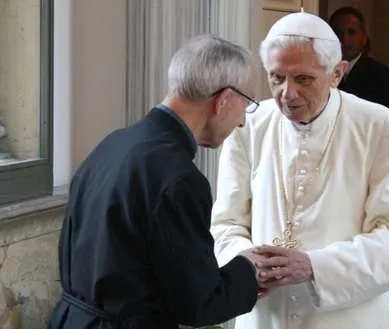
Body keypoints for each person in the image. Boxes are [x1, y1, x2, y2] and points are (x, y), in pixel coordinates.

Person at [48, 34, 284, 329]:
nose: (242, 122)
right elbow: (199, 305)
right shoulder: (179, 178)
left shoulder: (113, 144)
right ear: (224, 100)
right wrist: (250, 268)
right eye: (246, 104)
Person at [211, 12, 389, 329]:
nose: (287, 93)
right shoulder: (248, 126)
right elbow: (226, 222)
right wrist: (248, 264)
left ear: (337, 73)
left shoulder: (381, 127)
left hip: (353, 316)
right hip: (269, 312)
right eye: (276, 77)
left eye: (303, 79)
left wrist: (314, 267)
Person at [329, 6, 389, 115]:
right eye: (338, 33)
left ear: (363, 38)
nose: (344, 39)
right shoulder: (320, 72)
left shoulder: (383, 76)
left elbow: (388, 124)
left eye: (352, 32)